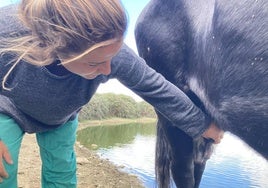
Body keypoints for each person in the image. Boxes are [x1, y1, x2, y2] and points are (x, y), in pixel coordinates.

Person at [0, 0, 224, 187]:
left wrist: (202, 124)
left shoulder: (113, 57)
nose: (108, 71)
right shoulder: (7, 30)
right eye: (95, 63)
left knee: (61, 173)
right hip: (10, 107)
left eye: (111, 59)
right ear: (55, 47)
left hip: (62, 116)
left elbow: (157, 88)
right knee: (3, 171)